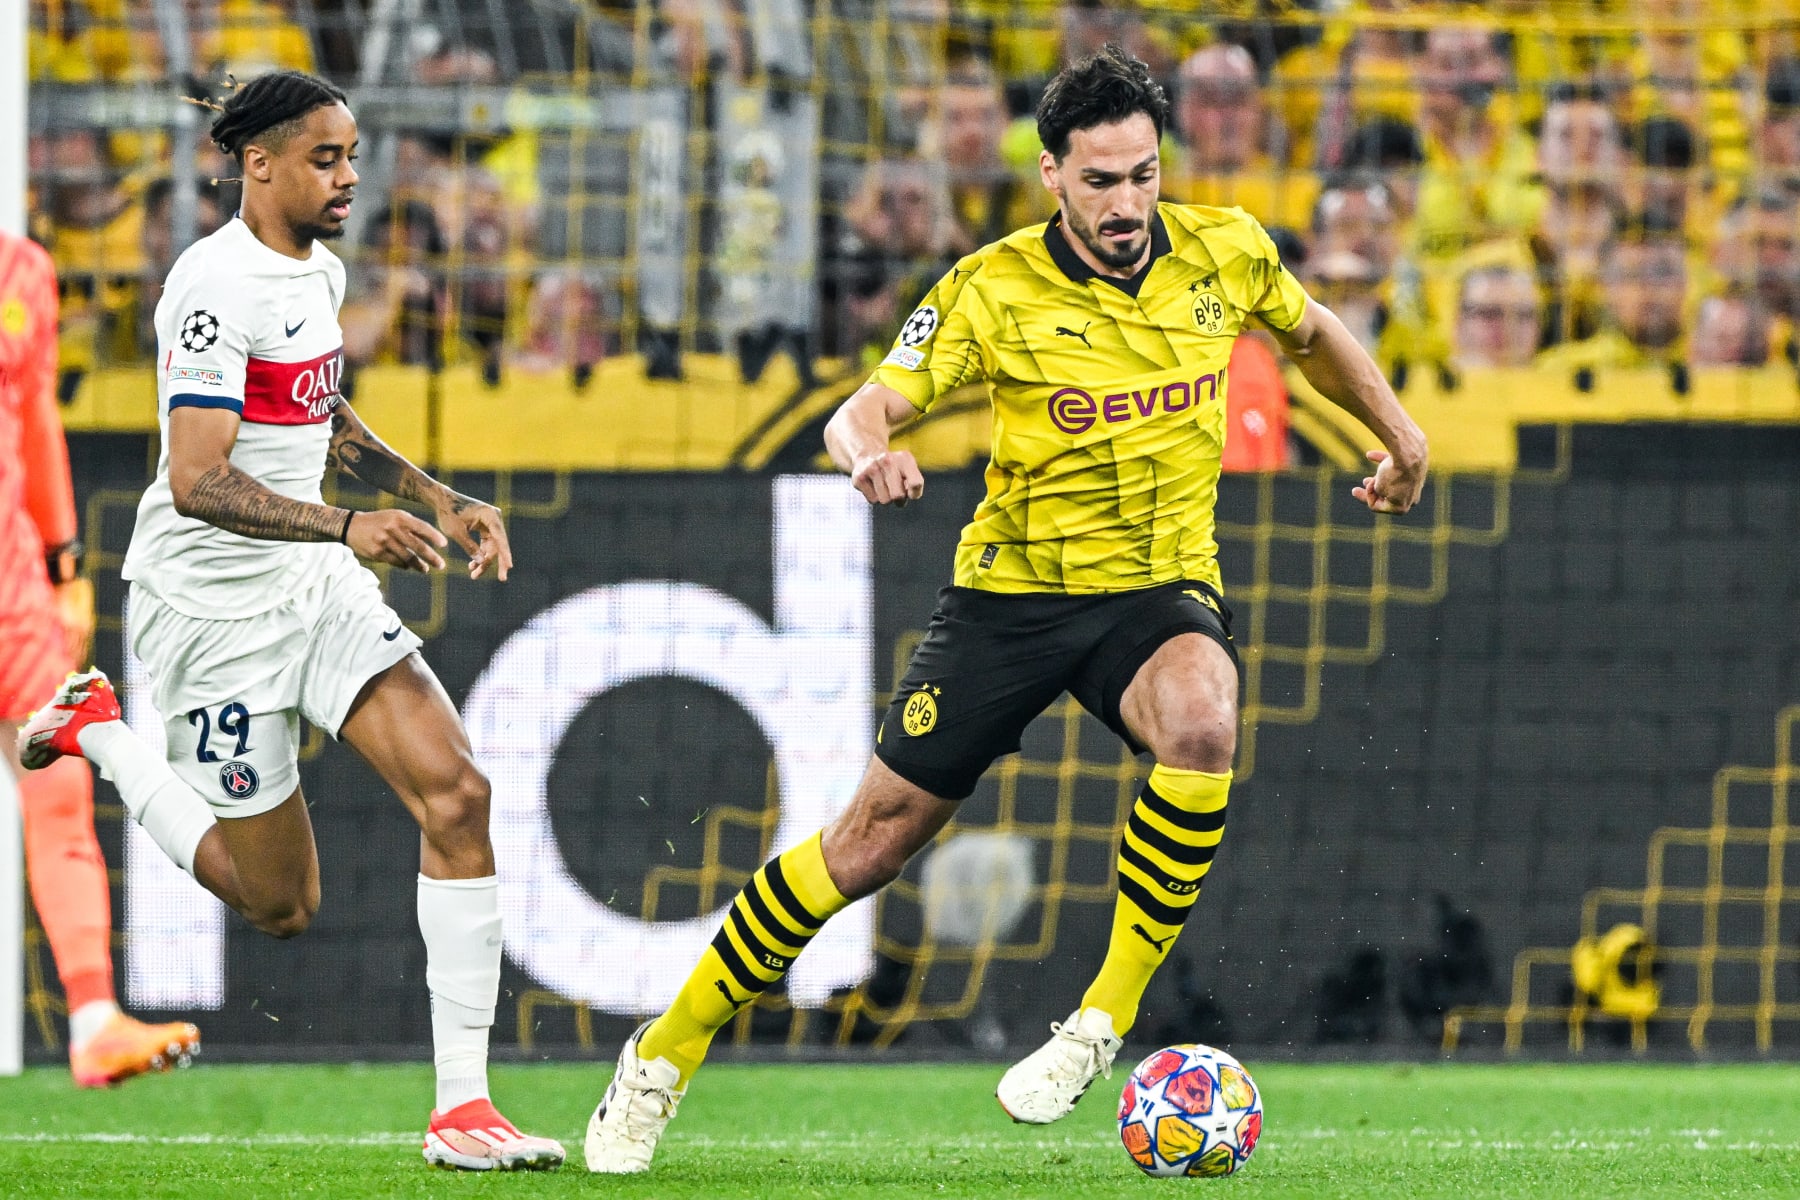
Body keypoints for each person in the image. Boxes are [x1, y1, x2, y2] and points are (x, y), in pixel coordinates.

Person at [583, 44, 1429, 1175]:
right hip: (1013, 598)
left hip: (1155, 587)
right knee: (867, 846)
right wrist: (868, 455)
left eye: (1142, 175)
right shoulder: (992, 287)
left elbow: (1313, 332)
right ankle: (662, 1054)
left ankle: (1099, 1023)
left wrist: (1400, 434)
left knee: (1204, 720)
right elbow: (863, 408)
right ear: (1051, 174)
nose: (1126, 204)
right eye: (1100, 181)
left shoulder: (1226, 249)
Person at [14, 70, 562, 1173]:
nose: (350, 176)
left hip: (312, 585)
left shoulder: (320, 270)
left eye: (352, 155)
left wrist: (433, 497)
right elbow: (197, 478)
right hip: (207, 614)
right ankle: (101, 732)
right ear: (257, 165)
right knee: (280, 905)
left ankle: (463, 1109)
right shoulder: (210, 287)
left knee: (459, 793)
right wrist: (350, 526)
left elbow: (322, 412)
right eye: (326, 158)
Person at [0, 228, 202, 1087]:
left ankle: (91, 1018)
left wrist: (62, 562)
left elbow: (33, 413)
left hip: (11, 577)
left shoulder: (22, 272)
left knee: (60, 778)